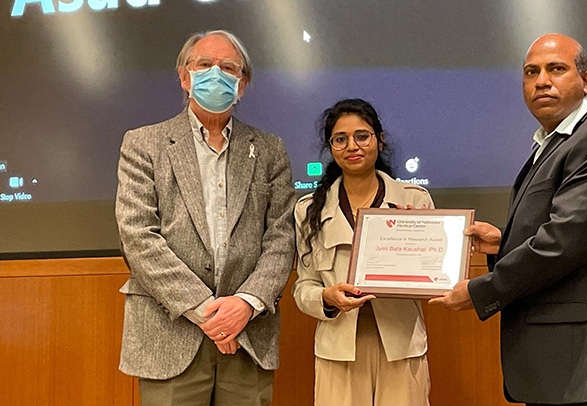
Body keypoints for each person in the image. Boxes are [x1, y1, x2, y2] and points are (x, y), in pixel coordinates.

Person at [430, 33, 587, 406]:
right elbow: (570, 231)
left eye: (556, 69)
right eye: (531, 72)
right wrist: (504, 242)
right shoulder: (555, 141)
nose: (541, 80)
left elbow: (563, 241)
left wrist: (483, 290)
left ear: (586, 81)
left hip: (586, 365)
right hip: (563, 366)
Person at [115, 29, 296, 405]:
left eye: (228, 67)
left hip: (247, 336)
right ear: (185, 76)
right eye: (204, 65)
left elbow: (282, 236)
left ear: (242, 84)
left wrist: (245, 302)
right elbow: (138, 236)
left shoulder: (268, 149)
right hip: (170, 333)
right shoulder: (143, 143)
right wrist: (206, 312)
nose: (216, 73)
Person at [292, 98, 433, 406]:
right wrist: (326, 299)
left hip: (401, 345)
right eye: (340, 139)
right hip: (338, 349)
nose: (352, 146)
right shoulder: (309, 210)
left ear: (379, 141)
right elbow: (303, 285)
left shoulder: (414, 201)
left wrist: (414, 240)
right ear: (330, 147)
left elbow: (435, 275)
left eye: (362, 136)